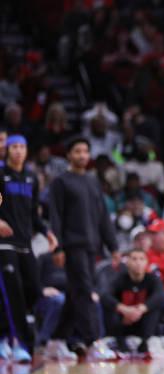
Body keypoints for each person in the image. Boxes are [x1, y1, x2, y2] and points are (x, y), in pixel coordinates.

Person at [49, 136, 121, 361]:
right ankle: (93, 342)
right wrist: (57, 247)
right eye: (77, 151)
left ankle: (56, 341)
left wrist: (113, 246)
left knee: (75, 294)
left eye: (85, 151)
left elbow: (103, 217)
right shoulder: (61, 182)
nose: (82, 155)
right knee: (85, 292)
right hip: (72, 246)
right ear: (68, 155)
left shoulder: (92, 182)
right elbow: (55, 217)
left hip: (92, 246)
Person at [0, 135, 58, 362]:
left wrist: (46, 232)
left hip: (25, 244)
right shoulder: (1, 174)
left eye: (22, 147)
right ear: (7, 150)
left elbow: (34, 214)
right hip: (4, 243)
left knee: (34, 289)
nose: (18, 151)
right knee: (12, 291)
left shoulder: (31, 178)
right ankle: (20, 344)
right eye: (14, 147)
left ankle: (5, 335)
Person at [101, 249, 164, 356]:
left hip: (143, 321)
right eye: (134, 259)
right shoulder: (119, 279)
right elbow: (105, 296)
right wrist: (124, 309)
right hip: (123, 322)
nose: (138, 263)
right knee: (109, 308)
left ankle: (145, 342)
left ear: (147, 262)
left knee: (155, 308)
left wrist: (141, 309)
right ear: (127, 262)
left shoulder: (153, 279)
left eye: (141, 259)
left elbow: (160, 296)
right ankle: (120, 343)